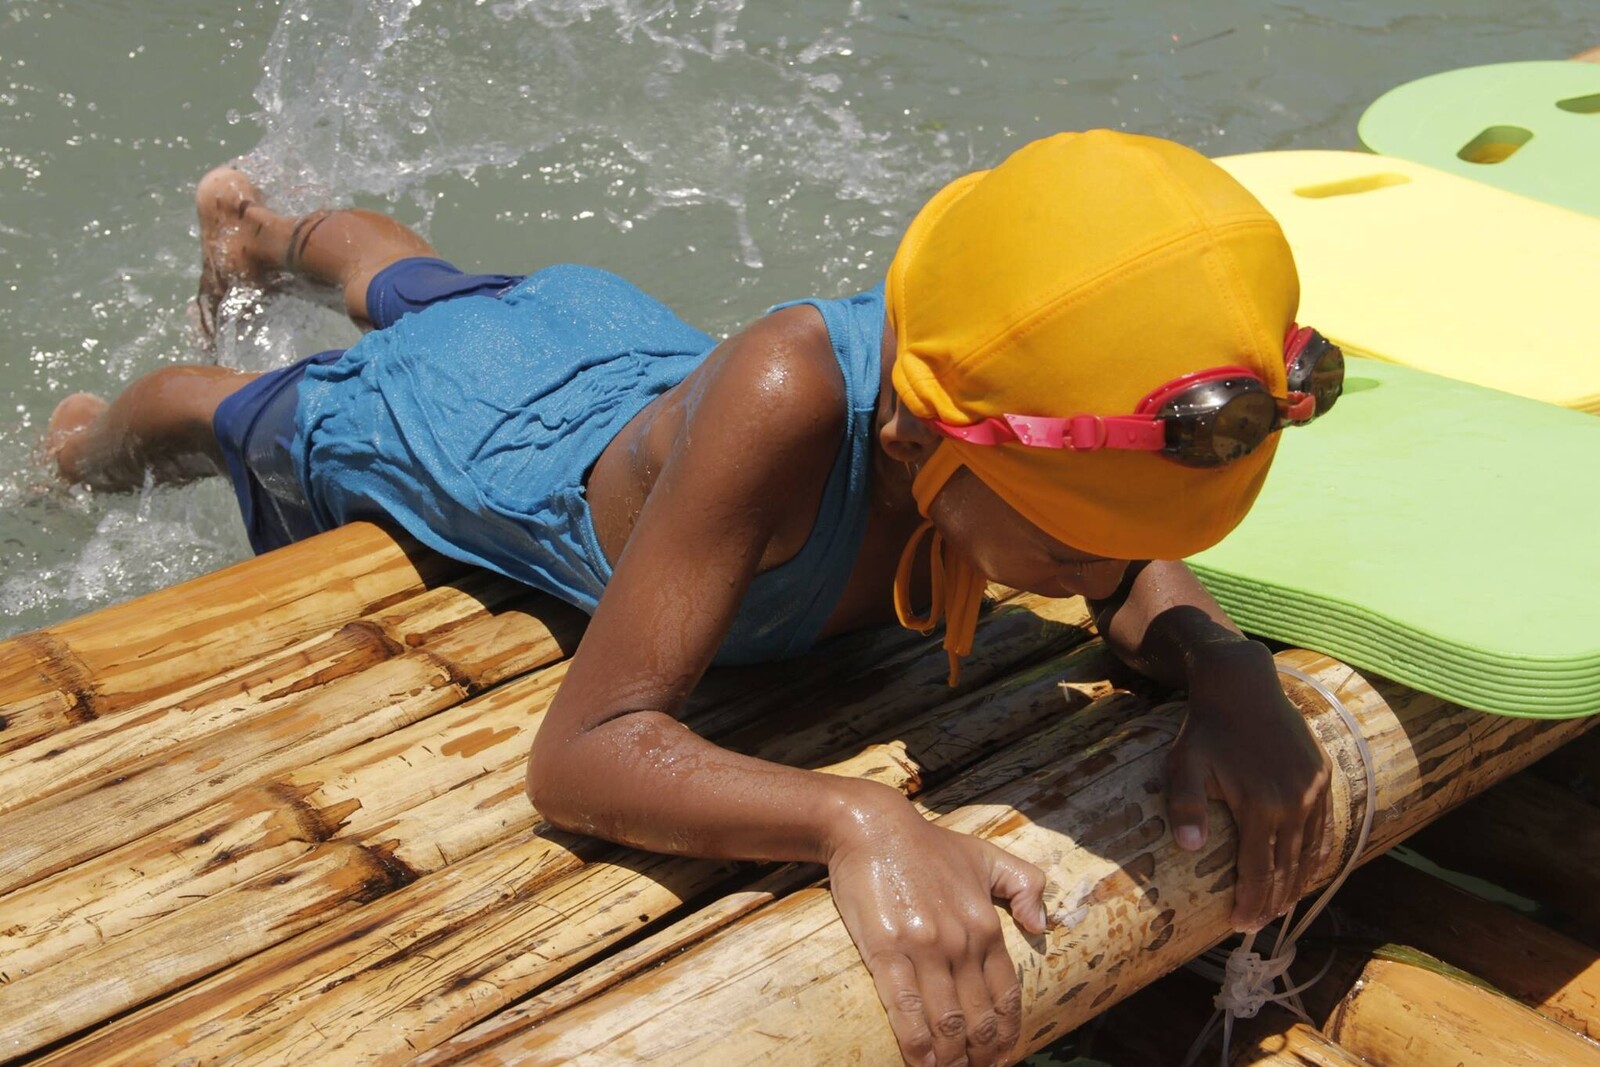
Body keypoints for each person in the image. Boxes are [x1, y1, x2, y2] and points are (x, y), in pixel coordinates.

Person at [48, 130, 1336, 1067]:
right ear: (913, 449)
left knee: (450, 294)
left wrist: (1227, 668)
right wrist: (853, 820)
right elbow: (586, 751)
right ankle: (104, 426)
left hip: (610, 344)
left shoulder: (978, 395)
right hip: (484, 436)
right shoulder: (789, 405)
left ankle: (266, 229)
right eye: (1065, 548)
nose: (1094, 575)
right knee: (268, 407)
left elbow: (1131, 569)